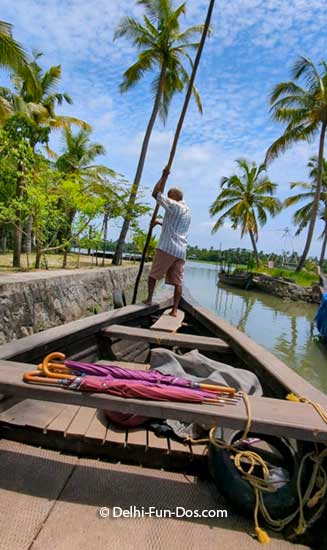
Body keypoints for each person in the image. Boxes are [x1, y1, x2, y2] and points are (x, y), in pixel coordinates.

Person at [143, 178, 191, 316]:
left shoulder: (174, 205)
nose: (168, 199)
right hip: (181, 251)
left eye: (169, 196)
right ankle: (175, 310)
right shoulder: (187, 211)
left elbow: (155, 194)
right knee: (178, 282)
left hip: (167, 248)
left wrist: (163, 176)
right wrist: (158, 222)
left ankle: (149, 299)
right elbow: (173, 226)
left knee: (153, 275)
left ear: (174, 197)